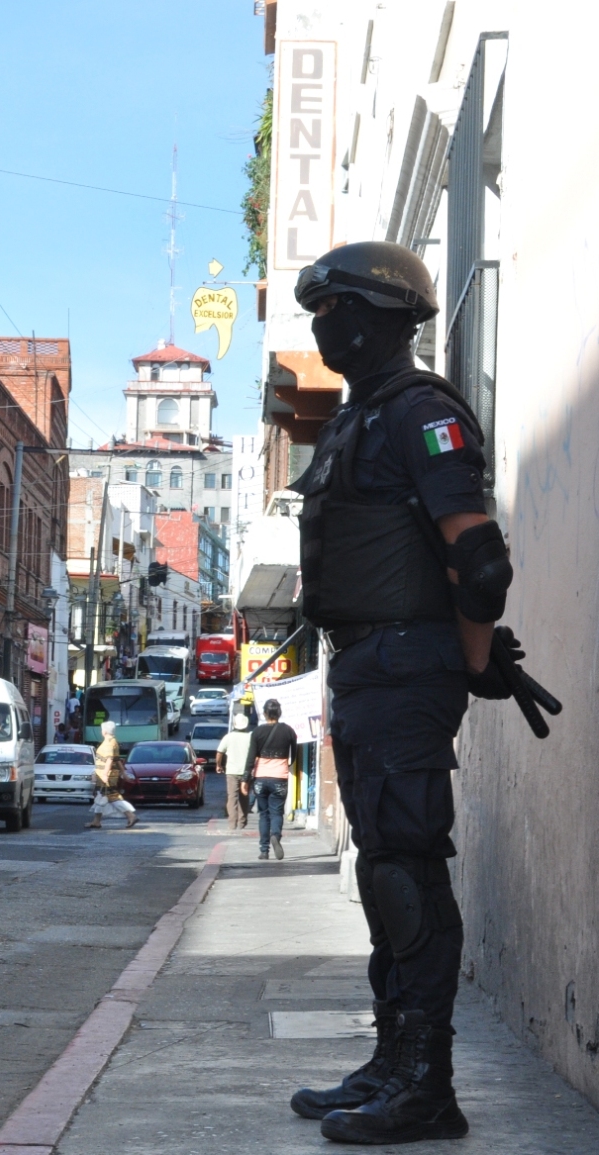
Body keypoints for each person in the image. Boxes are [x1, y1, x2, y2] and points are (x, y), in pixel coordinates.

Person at [286, 242, 505, 1142]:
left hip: (409, 668)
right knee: (383, 871)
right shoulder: (358, 418)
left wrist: (476, 659)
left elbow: (479, 560)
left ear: (376, 316)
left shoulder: (419, 412)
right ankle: (392, 1061)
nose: (320, 324)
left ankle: (427, 1085)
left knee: (407, 867)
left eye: (331, 307)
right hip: (368, 665)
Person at [243, 699, 296, 861]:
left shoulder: (257, 732)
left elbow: (251, 757)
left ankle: (264, 850)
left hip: (260, 778)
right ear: (279, 713)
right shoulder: (288, 731)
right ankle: (275, 836)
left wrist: (245, 779)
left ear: (265, 713)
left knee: (263, 814)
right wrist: (284, 764)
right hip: (279, 777)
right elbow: (293, 756)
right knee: (277, 812)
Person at [85, 720, 136, 829]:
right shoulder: (113, 741)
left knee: (112, 797)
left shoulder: (109, 742)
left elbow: (110, 759)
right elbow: (117, 760)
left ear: (104, 731)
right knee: (101, 796)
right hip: (105, 774)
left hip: (106, 775)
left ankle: (130, 815)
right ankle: (96, 821)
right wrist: (124, 774)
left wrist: (104, 774)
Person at [215, 713, 253, 831]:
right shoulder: (250, 737)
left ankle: (232, 824)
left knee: (232, 798)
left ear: (235, 725)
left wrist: (218, 765)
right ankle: (242, 822)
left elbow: (219, 752)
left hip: (232, 772)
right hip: (246, 772)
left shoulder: (228, 737)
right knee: (244, 797)